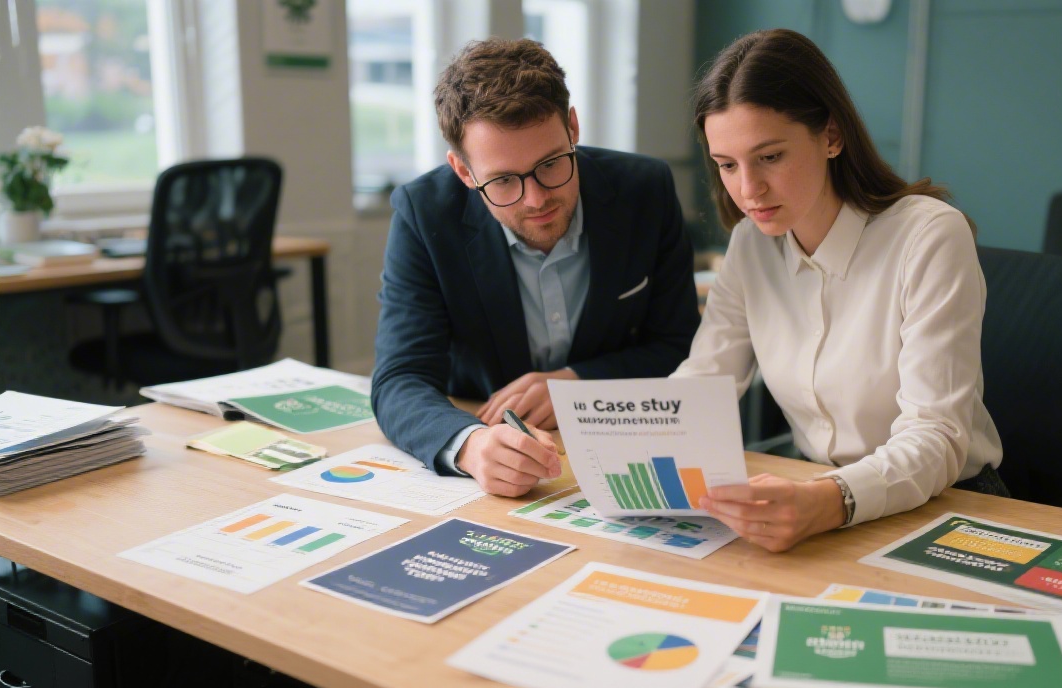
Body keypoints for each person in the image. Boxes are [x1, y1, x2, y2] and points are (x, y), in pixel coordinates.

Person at [674, 29, 1004, 552]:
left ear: (831, 135)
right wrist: (610, 446)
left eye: (770, 157)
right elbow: (703, 383)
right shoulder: (750, 246)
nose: (748, 190)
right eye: (727, 165)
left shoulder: (929, 235)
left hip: (947, 501)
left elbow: (935, 436)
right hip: (815, 494)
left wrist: (830, 500)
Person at [373, 38, 700, 498]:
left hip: (625, 451)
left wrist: (576, 384)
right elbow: (399, 378)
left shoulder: (646, 190)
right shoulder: (424, 213)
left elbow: (679, 345)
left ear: (572, 126)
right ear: (464, 172)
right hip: (494, 460)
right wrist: (470, 444)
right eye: (503, 180)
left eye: (550, 164)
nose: (537, 199)